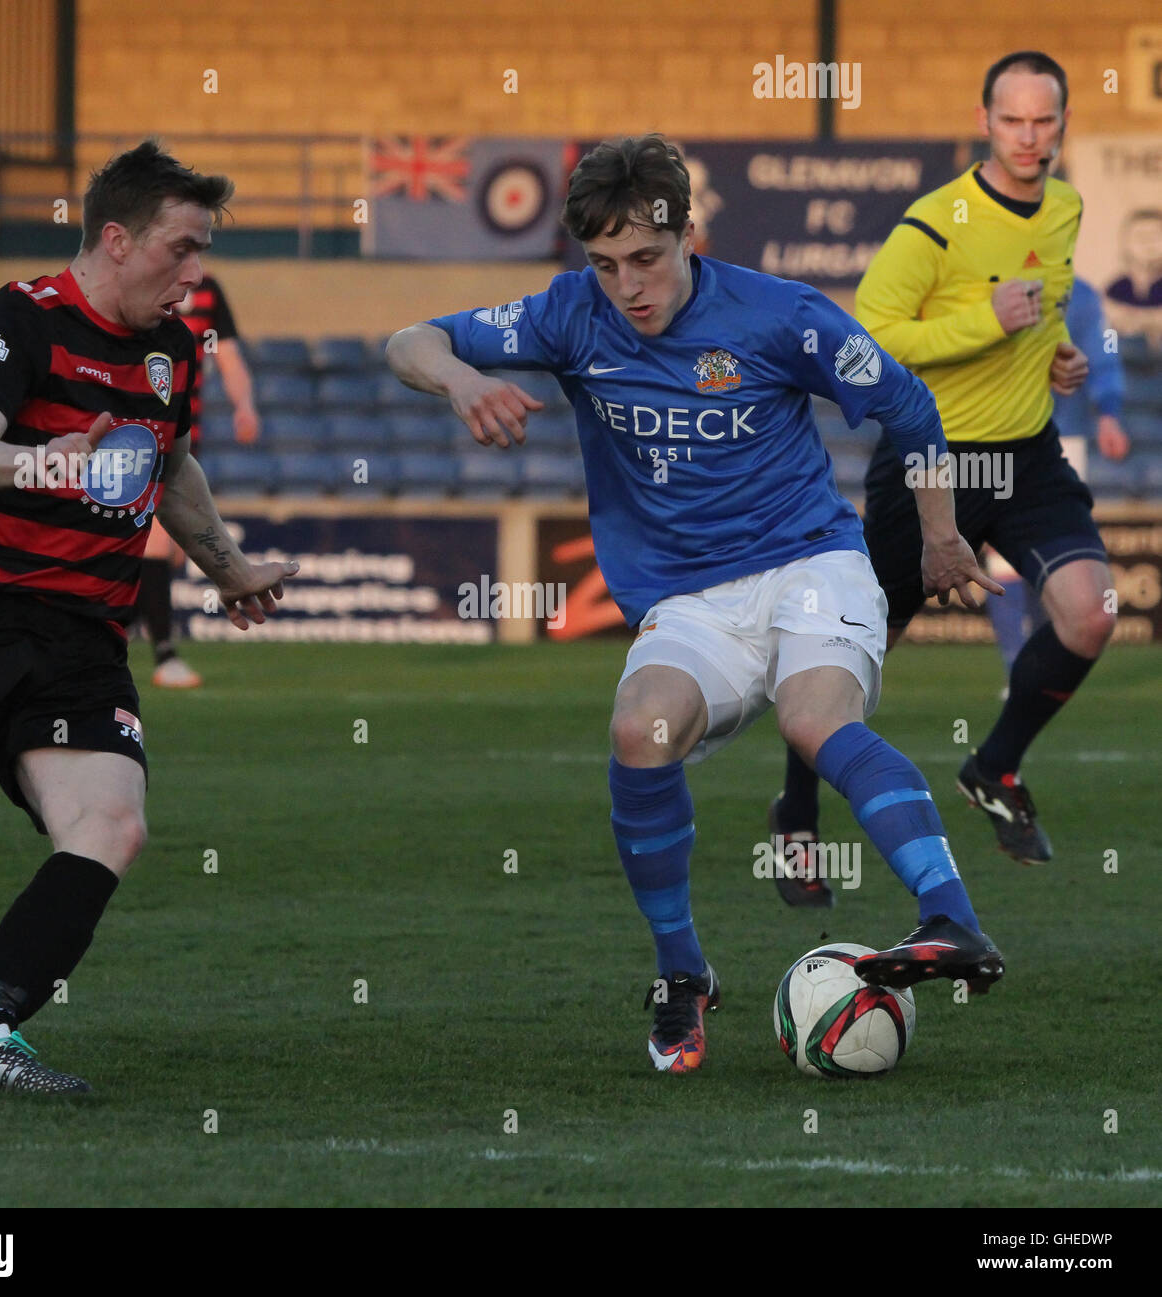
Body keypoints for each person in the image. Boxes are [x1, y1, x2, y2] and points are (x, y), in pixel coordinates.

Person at [387, 134, 1006, 1075]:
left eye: (645, 258)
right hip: (687, 598)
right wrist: (465, 379)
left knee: (812, 717)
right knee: (640, 731)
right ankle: (684, 974)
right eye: (604, 265)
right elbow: (409, 340)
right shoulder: (567, 315)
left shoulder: (780, 314)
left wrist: (939, 534)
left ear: (688, 236)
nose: (627, 285)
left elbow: (912, 407)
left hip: (811, 562)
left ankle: (951, 917)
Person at [0, 140, 297, 1093]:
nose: (196, 273)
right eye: (182, 249)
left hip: (81, 640)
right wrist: (43, 459)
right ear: (116, 238)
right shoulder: (24, 317)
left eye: (203, 251)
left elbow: (171, 465)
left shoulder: (172, 349)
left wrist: (226, 568)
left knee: (111, 825)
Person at [769, 51, 1115, 903]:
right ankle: (797, 817)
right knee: (850, 655)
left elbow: (1044, 315)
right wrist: (982, 320)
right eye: (1013, 121)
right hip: (933, 463)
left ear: (1064, 125)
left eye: (1045, 122)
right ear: (984, 120)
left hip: (1028, 455)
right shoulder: (936, 220)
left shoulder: (1066, 207)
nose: (1030, 138)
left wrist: (1057, 358)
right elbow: (869, 339)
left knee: (1091, 611)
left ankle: (994, 769)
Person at [988, 277, 1129, 673]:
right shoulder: (985, 286)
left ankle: (1041, 662)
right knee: (1003, 558)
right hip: (996, 436)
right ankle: (1017, 665)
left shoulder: (1080, 294)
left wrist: (1110, 414)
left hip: (1062, 440)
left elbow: (1103, 356)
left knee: (1053, 558)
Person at [140, 272, 260, 689]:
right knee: (156, 542)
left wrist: (244, 405)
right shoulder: (142, 282)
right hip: (140, 432)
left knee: (167, 554)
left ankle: (104, 641)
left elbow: (227, 354)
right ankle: (164, 656)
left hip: (186, 440)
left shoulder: (209, 289)